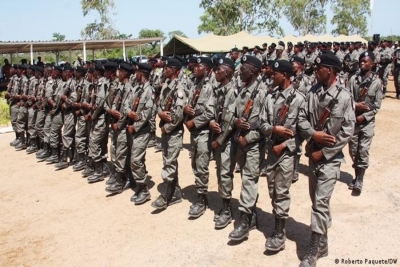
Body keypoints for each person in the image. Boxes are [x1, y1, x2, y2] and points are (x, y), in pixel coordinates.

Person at [297, 53, 355, 267]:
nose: (315, 72)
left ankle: (313, 251)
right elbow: (301, 119)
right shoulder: (312, 93)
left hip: (330, 159)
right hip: (313, 154)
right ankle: (323, 242)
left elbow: (348, 131)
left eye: (319, 69)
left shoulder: (344, 97)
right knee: (316, 200)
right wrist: (314, 134)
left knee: (320, 202)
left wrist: (326, 153)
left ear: (329, 70)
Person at [260, 60, 305, 252]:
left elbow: (303, 132)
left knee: (281, 191)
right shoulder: (270, 97)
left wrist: (285, 145)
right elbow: (261, 124)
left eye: (275, 73)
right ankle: (278, 221)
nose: (272, 76)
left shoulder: (299, 99)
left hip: (286, 154)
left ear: (285, 75)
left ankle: (279, 232)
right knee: (272, 190)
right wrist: (273, 129)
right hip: (271, 150)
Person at [228, 55, 266, 241]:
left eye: (243, 69)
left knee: (249, 180)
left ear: (253, 71)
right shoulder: (243, 90)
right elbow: (234, 113)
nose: (239, 72)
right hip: (240, 141)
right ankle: (252, 217)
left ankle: (244, 221)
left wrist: (249, 138)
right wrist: (236, 121)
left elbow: (267, 125)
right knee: (246, 178)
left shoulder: (262, 92)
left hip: (253, 145)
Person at [151, 58, 186, 210]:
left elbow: (178, 115)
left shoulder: (179, 89)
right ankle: (175, 192)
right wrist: (160, 113)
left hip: (173, 132)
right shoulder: (166, 85)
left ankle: (166, 194)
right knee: (167, 160)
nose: (165, 70)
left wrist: (167, 128)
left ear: (176, 70)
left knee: (170, 162)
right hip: (165, 129)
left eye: (168, 68)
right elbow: (158, 105)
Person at [183, 57, 214, 219]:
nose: (195, 68)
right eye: (194, 66)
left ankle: (202, 199)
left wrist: (194, 122)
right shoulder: (194, 85)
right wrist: (186, 109)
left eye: (199, 66)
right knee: (195, 163)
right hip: (194, 133)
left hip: (203, 132)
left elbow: (210, 113)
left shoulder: (209, 88)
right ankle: (200, 193)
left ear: (207, 69)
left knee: (201, 166)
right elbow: (190, 105)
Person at [348, 51, 382, 193]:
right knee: (353, 150)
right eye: (361, 61)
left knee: (363, 150)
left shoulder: (376, 82)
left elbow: (377, 105)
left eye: (365, 61)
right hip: (353, 120)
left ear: (372, 64)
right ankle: (357, 175)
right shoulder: (353, 79)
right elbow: (347, 99)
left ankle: (359, 179)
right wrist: (355, 106)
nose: (362, 63)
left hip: (367, 122)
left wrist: (365, 116)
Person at [209, 58, 237, 229]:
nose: (215, 72)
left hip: (228, 140)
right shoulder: (219, 90)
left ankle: (227, 210)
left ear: (227, 72)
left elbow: (230, 121)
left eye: (218, 70)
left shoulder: (232, 92)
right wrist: (211, 122)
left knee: (225, 173)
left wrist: (218, 141)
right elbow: (212, 111)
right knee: (220, 172)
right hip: (219, 139)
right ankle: (225, 205)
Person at [125, 62, 155, 204]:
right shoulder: (137, 89)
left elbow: (147, 113)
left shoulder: (149, 91)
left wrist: (135, 126)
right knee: (137, 160)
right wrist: (129, 112)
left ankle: (144, 189)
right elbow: (126, 103)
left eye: (136, 72)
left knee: (136, 160)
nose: (135, 74)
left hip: (142, 131)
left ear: (141, 73)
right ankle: (139, 184)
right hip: (133, 129)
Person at [105, 62, 135, 194]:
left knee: (121, 154)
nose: (118, 74)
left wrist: (119, 124)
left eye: (120, 71)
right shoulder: (121, 87)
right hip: (117, 125)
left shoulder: (129, 89)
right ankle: (125, 178)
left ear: (125, 73)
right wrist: (111, 112)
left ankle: (120, 181)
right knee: (117, 151)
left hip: (122, 127)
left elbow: (126, 110)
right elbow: (115, 105)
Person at [55, 65, 77, 170]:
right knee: (70, 135)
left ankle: (64, 159)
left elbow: (74, 98)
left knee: (67, 134)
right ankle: (74, 157)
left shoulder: (72, 83)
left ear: (68, 73)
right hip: (66, 113)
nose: (62, 74)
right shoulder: (66, 83)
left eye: (64, 72)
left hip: (70, 112)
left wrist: (66, 101)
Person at [45, 66, 64, 163]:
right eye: (52, 71)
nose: (52, 73)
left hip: (58, 112)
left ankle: (55, 154)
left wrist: (54, 109)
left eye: (55, 72)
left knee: (54, 132)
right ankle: (55, 152)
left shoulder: (60, 84)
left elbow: (59, 100)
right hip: (54, 111)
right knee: (53, 132)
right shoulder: (54, 83)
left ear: (59, 73)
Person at [14, 64, 30, 151]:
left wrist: (19, 99)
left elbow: (24, 95)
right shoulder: (21, 79)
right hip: (22, 104)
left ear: (22, 71)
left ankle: (22, 142)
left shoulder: (24, 80)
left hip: (23, 105)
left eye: (19, 69)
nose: (17, 71)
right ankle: (23, 141)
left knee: (20, 122)